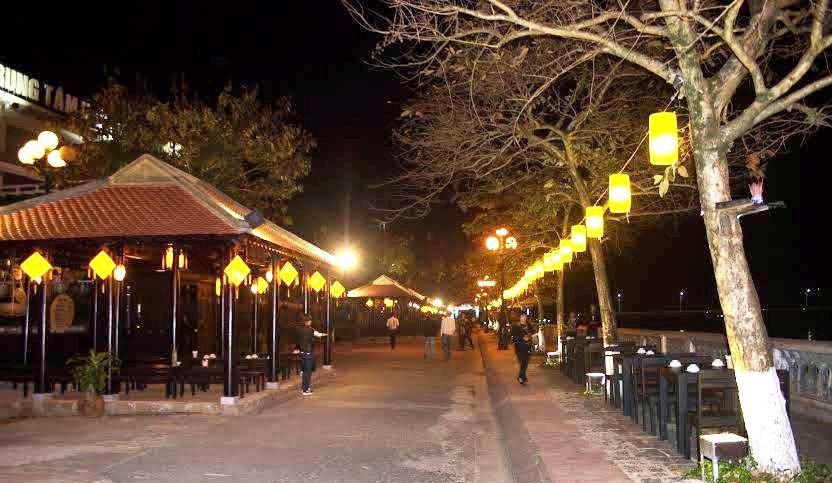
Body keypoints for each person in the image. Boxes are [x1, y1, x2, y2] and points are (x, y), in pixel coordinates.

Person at [296, 313, 326, 395]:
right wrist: (318, 335)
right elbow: (312, 340)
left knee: (304, 371)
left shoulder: (299, 329)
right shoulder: (310, 330)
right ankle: (305, 390)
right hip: (308, 352)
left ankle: (304, 388)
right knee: (307, 372)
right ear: (307, 321)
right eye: (310, 320)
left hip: (302, 352)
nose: (311, 322)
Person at [511, 314, 534, 384]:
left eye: (525, 317)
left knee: (526, 363)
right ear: (520, 318)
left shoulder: (529, 325)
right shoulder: (515, 326)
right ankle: (522, 377)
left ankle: (521, 377)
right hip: (519, 347)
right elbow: (514, 337)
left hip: (528, 346)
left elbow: (533, 333)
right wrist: (522, 338)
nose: (524, 318)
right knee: (523, 361)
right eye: (522, 317)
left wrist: (531, 337)